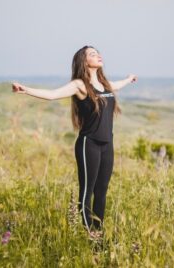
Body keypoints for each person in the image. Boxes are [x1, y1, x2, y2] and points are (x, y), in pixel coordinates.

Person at [12, 45, 137, 239]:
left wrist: (129, 79)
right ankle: (90, 236)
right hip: (89, 145)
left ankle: (99, 234)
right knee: (87, 191)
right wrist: (25, 89)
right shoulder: (80, 85)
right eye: (92, 54)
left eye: (98, 53)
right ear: (84, 61)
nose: (98, 55)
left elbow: (117, 85)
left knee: (101, 192)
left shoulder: (105, 84)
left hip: (107, 145)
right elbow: (53, 95)